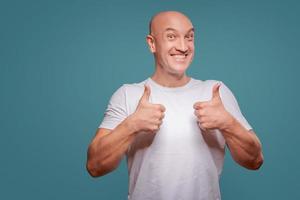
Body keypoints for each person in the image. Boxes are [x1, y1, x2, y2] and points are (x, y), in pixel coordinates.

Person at [86, 11, 264, 200]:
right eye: (171, 37)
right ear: (152, 43)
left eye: (189, 37)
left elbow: (255, 160)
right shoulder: (128, 95)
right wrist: (132, 125)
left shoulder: (216, 92)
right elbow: (95, 166)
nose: (183, 46)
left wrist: (228, 123)